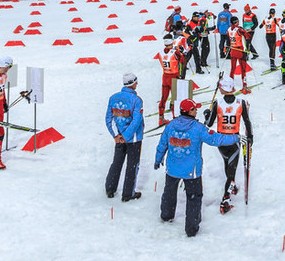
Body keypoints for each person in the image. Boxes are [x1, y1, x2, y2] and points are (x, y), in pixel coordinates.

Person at [155, 98, 239, 237]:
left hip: (173, 169)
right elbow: (216, 139)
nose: (197, 110)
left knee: (169, 193)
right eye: (195, 109)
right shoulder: (198, 128)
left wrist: (158, 159)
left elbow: (162, 144)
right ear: (189, 111)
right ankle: (191, 228)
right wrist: (235, 138)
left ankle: (166, 215)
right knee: (194, 197)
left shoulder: (171, 125)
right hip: (191, 172)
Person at [203, 78, 253, 214]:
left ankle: (231, 187)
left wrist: (206, 114)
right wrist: (250, 137)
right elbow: (247, 121)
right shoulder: (240, 103)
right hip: (233, 140)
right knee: (230, 169)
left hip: (221, 140)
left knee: (228, 165)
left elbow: (208, 123)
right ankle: (225, 199)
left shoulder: (217, 103)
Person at [105, 72, 144, 201]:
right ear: (132, 83)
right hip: (133, 139)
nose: (137, 83)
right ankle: (128, 193)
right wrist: (126, 136)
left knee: (117, 162)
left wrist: (116, 135)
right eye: (136, 81)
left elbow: (109, 119)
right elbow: (136, 121)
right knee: (132, 166)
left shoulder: (113, 98)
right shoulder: (137, 100)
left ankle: (110, 188)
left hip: (119, 138)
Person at [157, 34, 182, 126]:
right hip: (174, 76)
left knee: (163, 98)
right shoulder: (175, 52)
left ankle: (161, 118)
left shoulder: (160, 52)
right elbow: (182, 60)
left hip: (165, 76)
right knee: (175, 99)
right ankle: (175, 118)